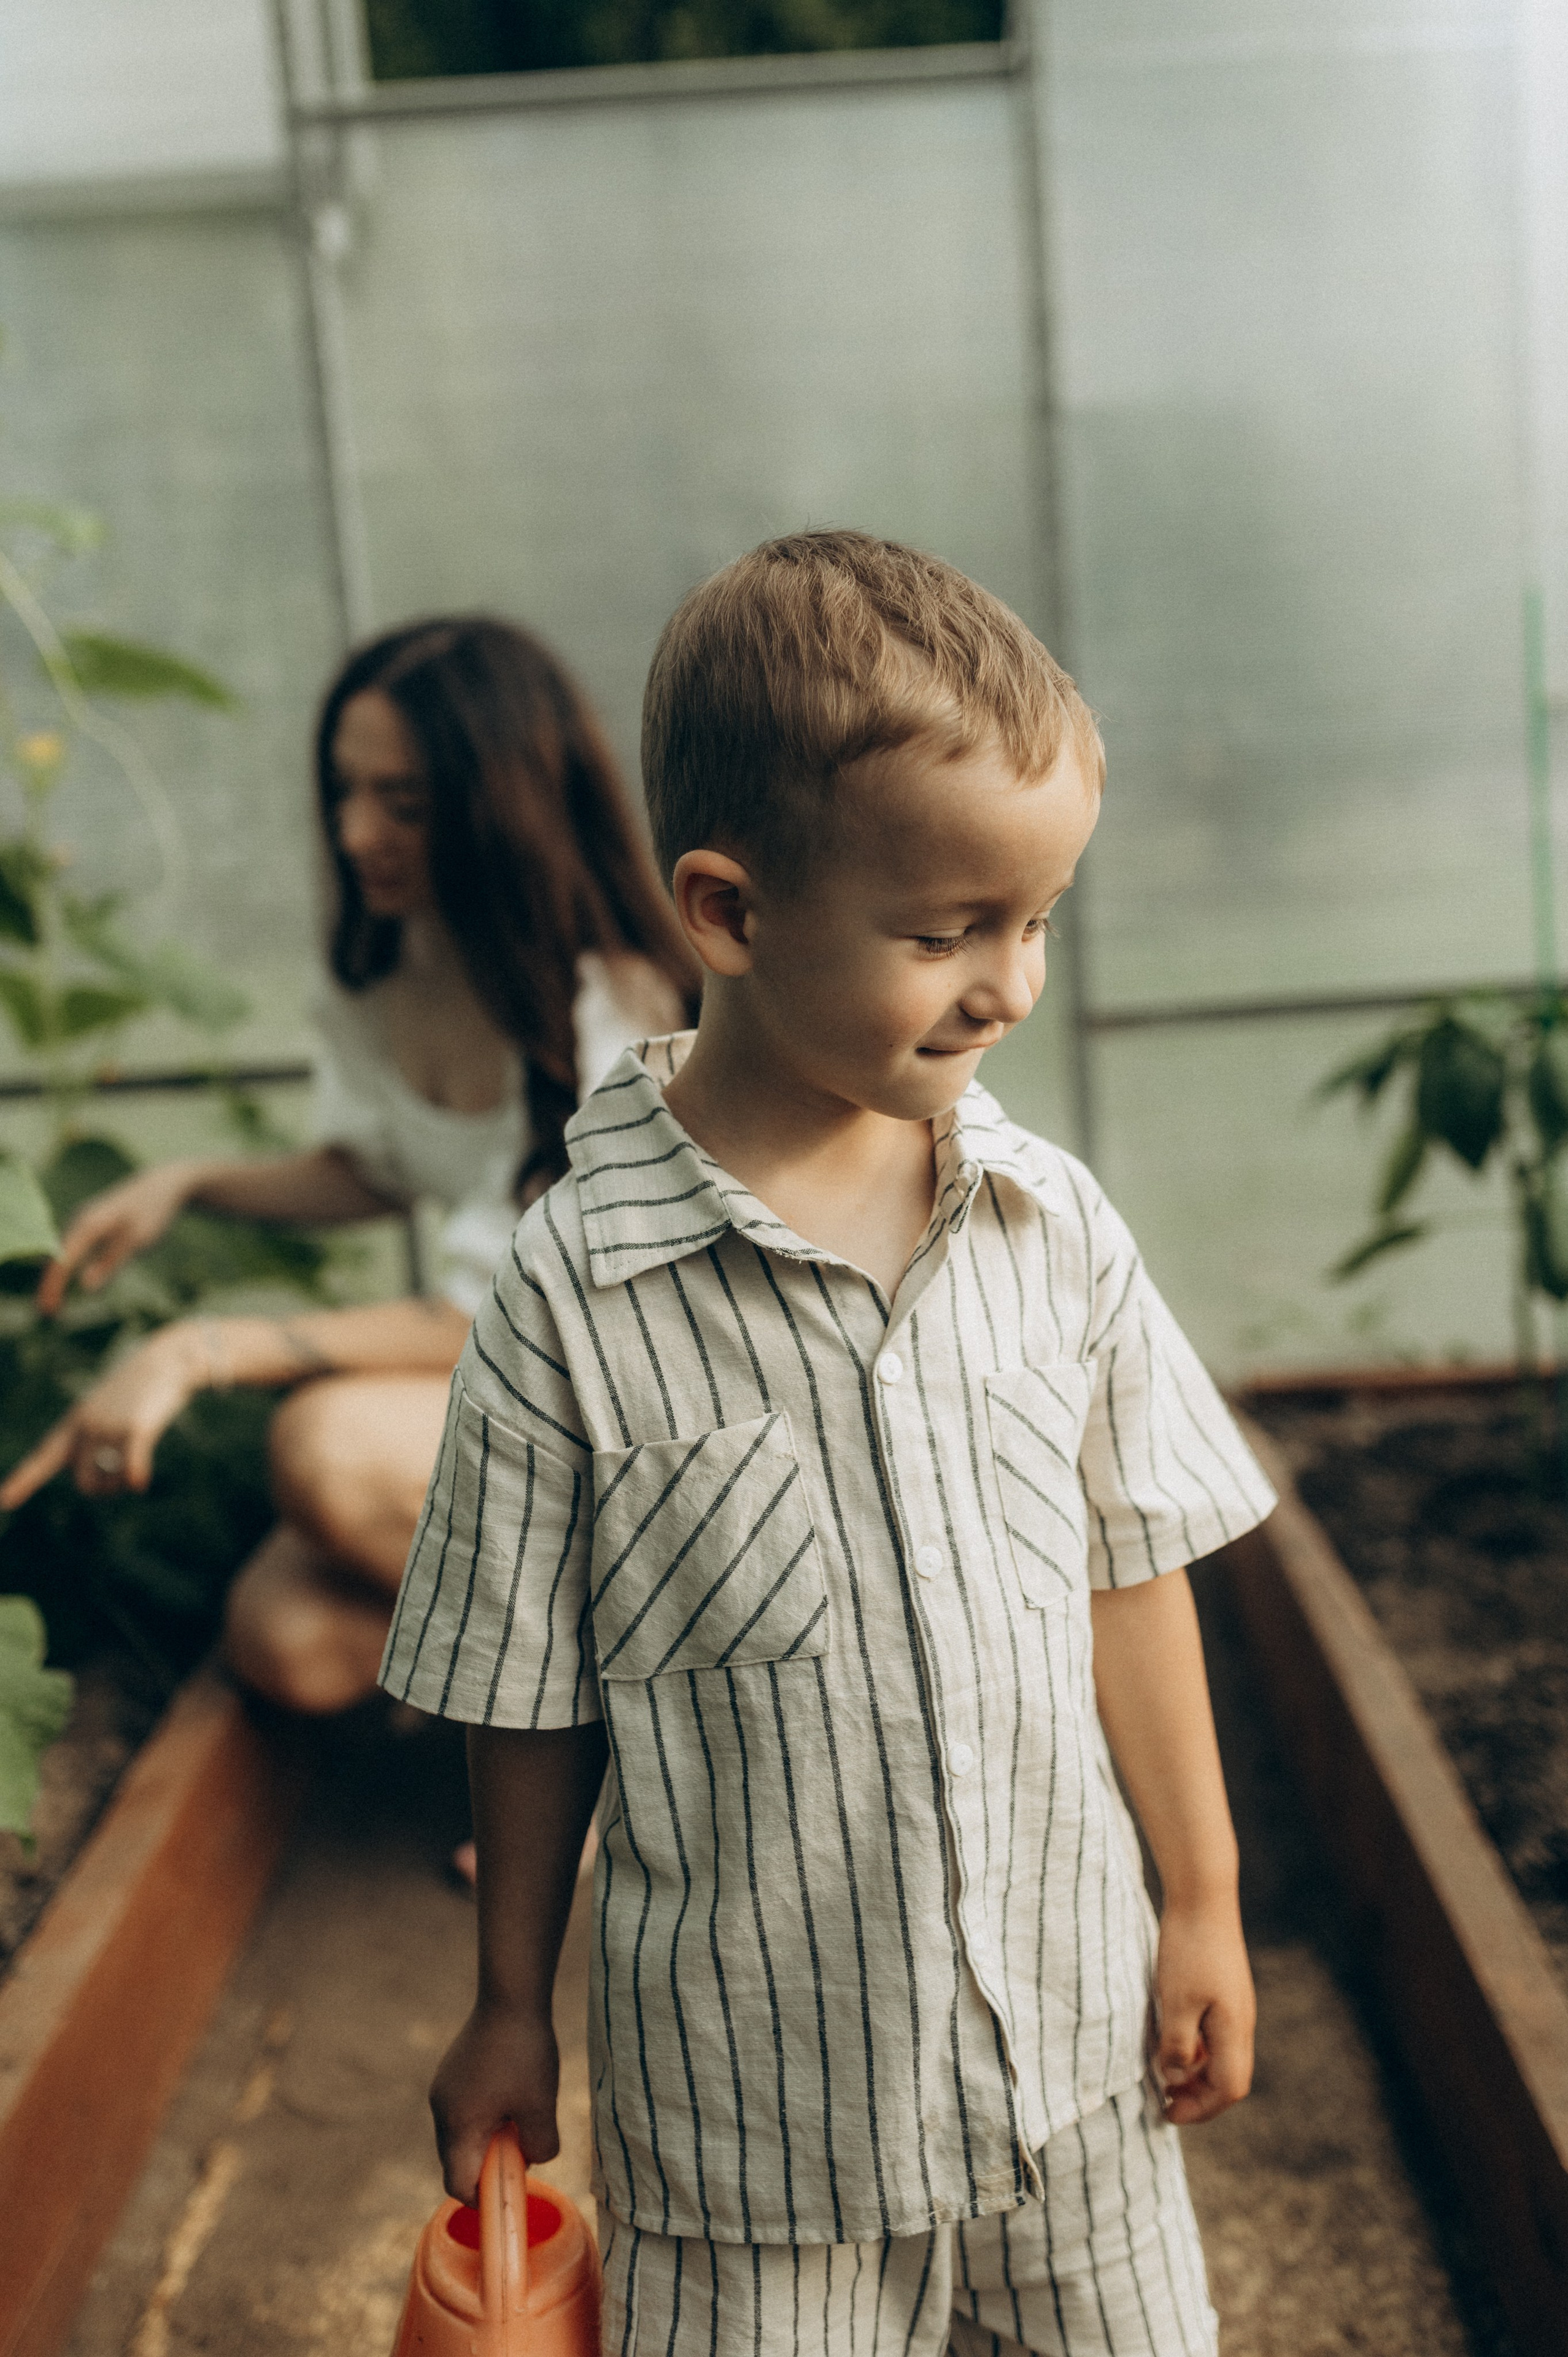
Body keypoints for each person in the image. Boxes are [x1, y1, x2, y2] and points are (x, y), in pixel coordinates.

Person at [380, 533, 1277, 2357]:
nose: (1008, 986)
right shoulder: (576, 1294)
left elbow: (1132, 1573)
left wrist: (1203, 1902)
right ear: (727, 912)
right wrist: (506, 2007)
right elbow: (526, 1697)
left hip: (1075, 2074)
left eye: (1036, 921)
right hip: (755, 2141)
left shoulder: (1052, 1227)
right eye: (945, 934)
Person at [0, 617, 693, 1726]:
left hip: (654, 1426)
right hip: (542, 1421)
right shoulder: (401, 973)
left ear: (500, 805)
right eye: (346, 791)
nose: (356, 830)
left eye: (404, 804)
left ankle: (639, 1752)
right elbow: (381, 1165)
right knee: (288, 1637)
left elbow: (518, 1316)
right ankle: (608, 1687)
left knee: (326, 1446)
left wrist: (202, 1350)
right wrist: (192, 1184)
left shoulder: (622, 1007)